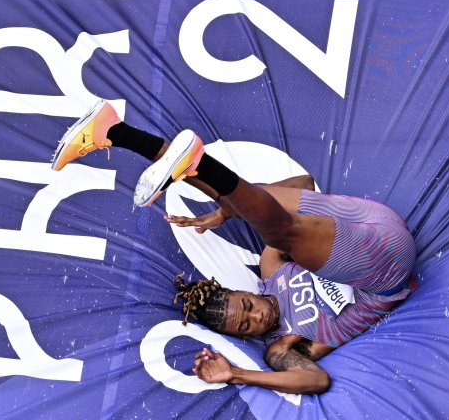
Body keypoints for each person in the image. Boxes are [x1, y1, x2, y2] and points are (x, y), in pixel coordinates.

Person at [52, 101, 417, 395]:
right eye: (246, 326)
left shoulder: (271, 268)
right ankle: (137, 140)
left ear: (245, 291)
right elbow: (316, 381)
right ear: (245, 337)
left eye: (247, 307)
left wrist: (225, 214)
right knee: (278, 227)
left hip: (363, 217)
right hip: (385, 266)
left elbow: (304, 183)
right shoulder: (281, 347)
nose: (256, 318)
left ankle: (117, 131)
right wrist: (237, 374)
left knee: (262, 213)